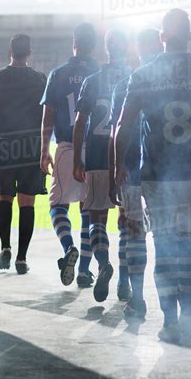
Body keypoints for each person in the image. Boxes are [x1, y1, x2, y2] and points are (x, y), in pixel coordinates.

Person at [115, 9, 191, 346]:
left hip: (156, 175)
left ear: (162, 37)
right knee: (188, 242)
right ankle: (189, 315)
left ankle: (170, 320)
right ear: (189, 35)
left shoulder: (144, 75)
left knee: (162, 243)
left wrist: (119, 167)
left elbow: (123, 126)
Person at [0, 34, 47, 274]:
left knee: (4, 197)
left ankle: (5, 247)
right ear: (29, 52)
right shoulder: (39, 79)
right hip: (32, 146)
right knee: (28, 201)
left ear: (10, 51)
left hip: (5, 145)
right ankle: (22, 258)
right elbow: (48, 115)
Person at [108, 28, 162, 319]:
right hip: (158, 169)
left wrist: (115, 169)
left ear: (138, 50)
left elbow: (116, 130)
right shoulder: (168, 83)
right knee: (164, 234)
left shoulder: (127, 83)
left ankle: (132, 290)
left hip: (129, 169)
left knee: (131, 230)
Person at [73, 29, 130, 302]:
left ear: (106, 49)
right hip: (127, 158)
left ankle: (103, 263)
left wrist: (76, 160)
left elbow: (81, 122)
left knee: (96, 218)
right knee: (128, 221)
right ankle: (125, 283)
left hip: (96, 156)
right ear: (127, 47)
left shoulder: (93, 81)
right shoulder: (135, 78)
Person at [40, 23, 98, 287]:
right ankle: (85, 271)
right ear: (94, 45)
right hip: (96, 147)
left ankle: (68, 248)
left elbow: (48, 115)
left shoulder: (59, 73)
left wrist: (44, 150)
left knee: (58, 206)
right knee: (88, 209)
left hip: (66, 145)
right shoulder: (100, 72)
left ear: (73, 43)